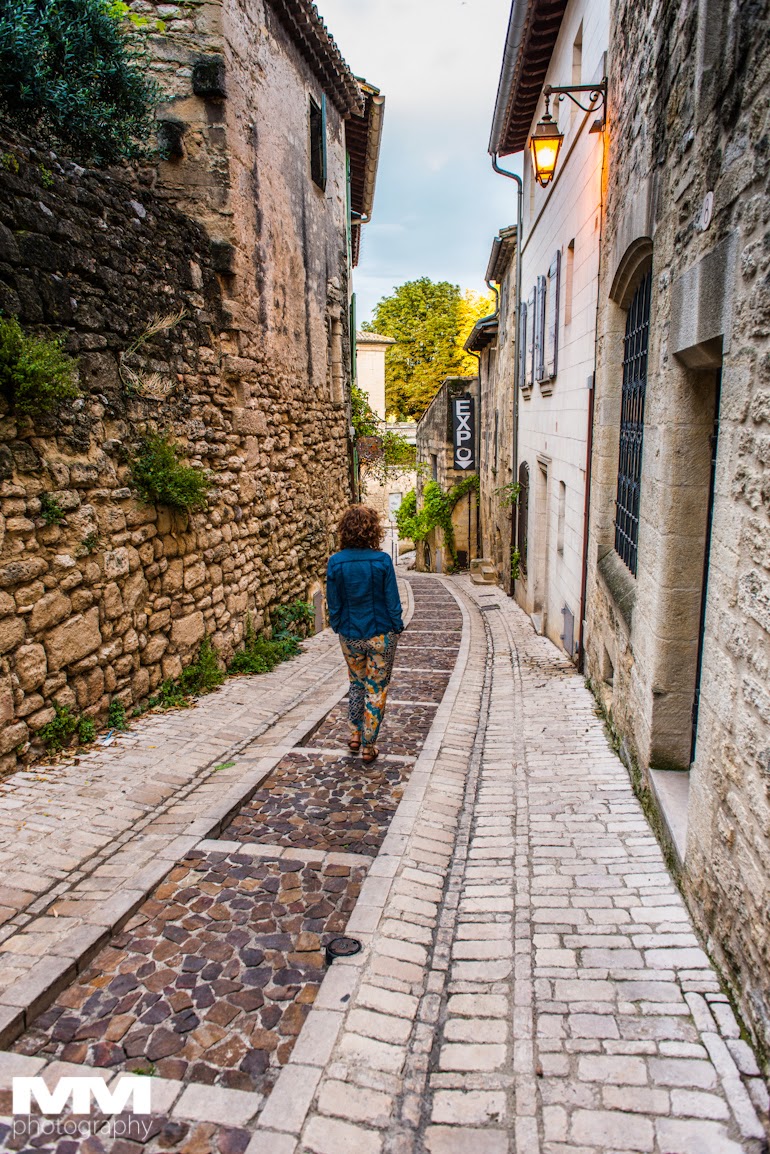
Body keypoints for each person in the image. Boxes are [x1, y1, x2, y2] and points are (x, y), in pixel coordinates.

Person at [326, 504, 404, 763]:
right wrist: (397, 625)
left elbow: (333, 602)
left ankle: (355, 734)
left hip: (350, 634)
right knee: (377, 687)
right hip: (381, 632)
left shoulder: (336, 562)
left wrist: (338, 625)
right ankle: (369, 746)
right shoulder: (382, 561)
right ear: (373, 531)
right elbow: (392, 600)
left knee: (356, 683)